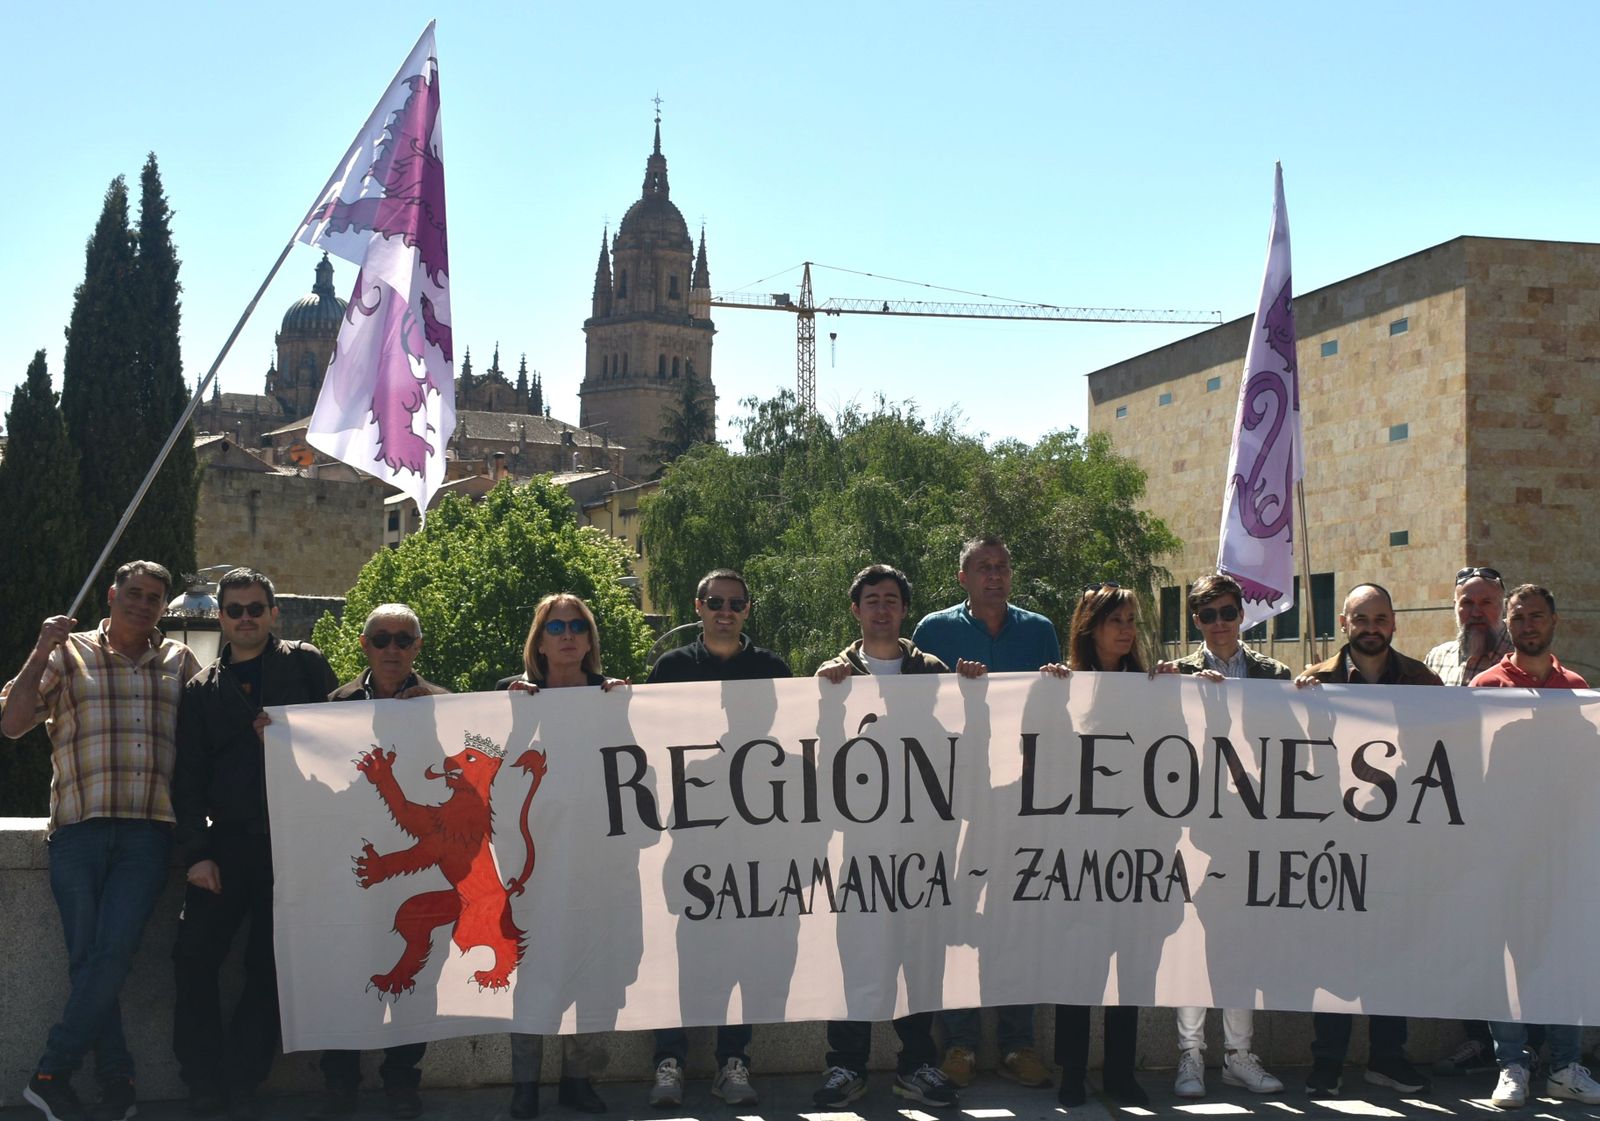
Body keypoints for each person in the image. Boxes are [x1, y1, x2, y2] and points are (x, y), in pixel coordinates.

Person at [1, 561, 201, 1121]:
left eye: (154, 597)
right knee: (90, 957)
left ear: (165, 606)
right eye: (133, 593)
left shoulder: (179, 662)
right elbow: (13, 723)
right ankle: (117, 1077)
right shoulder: (68, 653)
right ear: (112, 595)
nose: (142, 604)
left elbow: (211, 735)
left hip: (148, 831)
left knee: (112, 951)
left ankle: (51, 1071)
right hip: (78, 829)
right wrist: (41, 647)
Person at [171, 569, 338, 1121]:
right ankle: (202, 1080)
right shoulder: (199, 691)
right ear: (221, 617)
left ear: (274, 613)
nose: (246, 618)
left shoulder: (306, 664)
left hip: (295, 848)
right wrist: (196, 853)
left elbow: (345, 740)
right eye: (235, 609)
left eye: (255, 608)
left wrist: (294, 741)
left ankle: (243, 1081)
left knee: (269, 971)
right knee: (194, 961)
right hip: (226, 847)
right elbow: (188, 779)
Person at [812, 565, 966, 1109]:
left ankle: (917, 1062)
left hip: (922, 844)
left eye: (892, 600)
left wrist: (972, 692)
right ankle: (846, 1065)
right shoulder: (833, 674)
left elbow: (960, 746)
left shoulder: (933, 671)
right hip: (855, 846)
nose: (882, 608)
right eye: (872, 600)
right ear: (856, 610)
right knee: (854, 954)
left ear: (904, 609)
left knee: (918, 955)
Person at [910, 537, 1057, 1090]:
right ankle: (962, 1044)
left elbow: (1053, 708)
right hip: (953, 799)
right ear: (962, 576)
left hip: (1020, 796)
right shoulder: (933, 632)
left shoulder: (1039, 629)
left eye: (1002, 566)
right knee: (956, 920)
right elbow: (915, 711)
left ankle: (1018, 1044)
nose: (995, 576)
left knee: (1016, 919)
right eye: (984, 568)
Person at [643, 569, 790, 1107]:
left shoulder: (773, 668)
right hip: (686, 836)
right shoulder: (671, 667)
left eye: (736, 603)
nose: (725, 611)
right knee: (680, 952)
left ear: (748, 610)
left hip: (754, 836)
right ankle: (670, 1061)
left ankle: (734, 1061)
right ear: (698, 606)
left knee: (743, 953)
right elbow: (645, 743)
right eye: (715, 602)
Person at [1294, 583, 1437, 1097]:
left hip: (1399, 842)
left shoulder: (1424, 682)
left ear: (1393, 623)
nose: (1371, 627)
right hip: (1335, 840)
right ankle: (1326, 1062)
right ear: (1344, 622)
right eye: (1361, 618)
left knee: (1394, 950)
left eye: (1380, 618)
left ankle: (1388, 1058)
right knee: (1333, 954)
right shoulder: (1314, 681)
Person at [311, 605, 447, 1121]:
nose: (393, 648)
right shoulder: (330, 706)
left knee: (418, 970)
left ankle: (401, 1078)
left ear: (417, 647)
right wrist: (275, 737)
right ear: (365, 645)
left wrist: (433, 714)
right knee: (344, 968)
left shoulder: (444, 705)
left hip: (419, 867)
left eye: (403, 639)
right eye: (382, 638)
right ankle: (340, 1080)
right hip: (353, 863)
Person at [1470, 585, 1600, 1109]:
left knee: (1563, 956)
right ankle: (1513, 1065)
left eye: (1536, 617)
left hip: (1563, 851)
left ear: (1553, 621)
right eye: (1519, 617)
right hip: (1504, 852)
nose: (1527, 626)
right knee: (1510, 962)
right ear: (1510, 624)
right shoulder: (1486, 685)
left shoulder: (1577, 688)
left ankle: (1566, 1065)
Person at [500, 594, 626, 1119]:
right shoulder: (519, 697)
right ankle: (524, 1086)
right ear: (540, 640)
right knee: (532, 972)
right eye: (557, 626)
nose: (569, 634)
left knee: (595, 971)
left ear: (591, 638)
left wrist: (622, 706)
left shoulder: (613, 696)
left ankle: (579, 1079)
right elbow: (499, 775)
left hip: (601, 861)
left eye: (579, 625)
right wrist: (513, 713)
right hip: (535, 864)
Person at [1161, 574, 1286, 1098]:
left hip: (1249, 822)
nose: (1219, 623)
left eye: (1228, 612)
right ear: (1195, 621)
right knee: (1192, 941)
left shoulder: (1274, 673)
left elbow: (1294, 738)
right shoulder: (1174, 675)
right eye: (1207, 614)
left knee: (1240, 941)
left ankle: (1239, 1054)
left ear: (1243, 614)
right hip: (1191, 824)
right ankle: (1190, 1055)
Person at [1052, 583, 1150, 1108]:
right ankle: (1071, 1070)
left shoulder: (1154, 686)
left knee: (1129, 965)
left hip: (1136, 848)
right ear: (1091, 627)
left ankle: (1119, 1072)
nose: (1127, 629)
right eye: (1116, 620)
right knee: (1080, 965)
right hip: (1080, 849)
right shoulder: (1063, 686)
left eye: (1131, 619)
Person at [1422, 565, 1514, 1079]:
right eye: (1466, 603)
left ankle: (1527, 1046)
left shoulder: (1520, 659)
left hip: (1504, 816)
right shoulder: (1437, 658)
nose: (1475, 612)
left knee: (1511, 930)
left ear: (1501, 606)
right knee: (1464, 933)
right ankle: (1476, 1038)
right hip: (1450, 815)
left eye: (1485, 603)